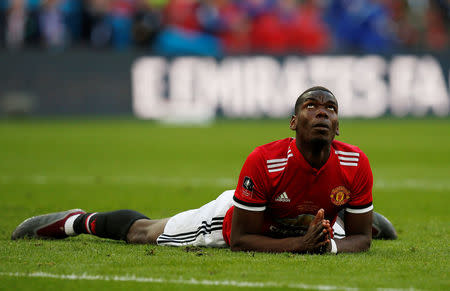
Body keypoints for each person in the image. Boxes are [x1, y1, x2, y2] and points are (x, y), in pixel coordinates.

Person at [11, 86, 397, 254]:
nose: (321, 112)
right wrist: (301, 246)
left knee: (347, 226)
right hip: (241, 219)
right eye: (310, 106)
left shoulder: (355, 162)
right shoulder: (264, 160)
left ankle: (354, 213)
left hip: (308, 220)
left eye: (330, 108)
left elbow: (360, 242)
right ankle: (77, 222)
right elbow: (243, 238)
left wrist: (327, 245)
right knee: (146, 233)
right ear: (293, 122)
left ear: (339, 126)